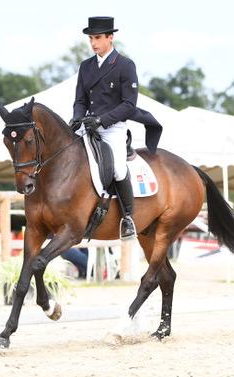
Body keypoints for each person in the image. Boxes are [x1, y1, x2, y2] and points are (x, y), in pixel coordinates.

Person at [69, 16, 162, 240]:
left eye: (98, 38)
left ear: (110, 37)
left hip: (112, 128)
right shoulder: (86, 66)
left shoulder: (124, 65)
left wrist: (102, 121)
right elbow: (80, 99)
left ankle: (128, 218)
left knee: (119, 169)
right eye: (91, 38)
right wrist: (76, 118)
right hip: (87, 126)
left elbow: (129, 105)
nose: (93, 43)